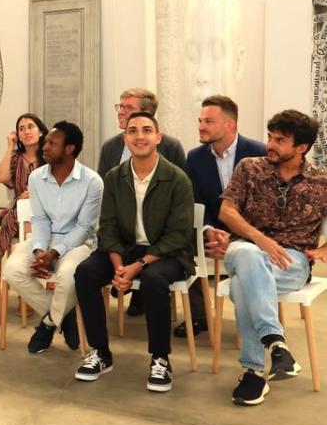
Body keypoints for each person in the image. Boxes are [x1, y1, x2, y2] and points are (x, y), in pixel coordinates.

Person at [74, 112, 194, 392]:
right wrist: (119, 267)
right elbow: (108, 227)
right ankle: (100, 352)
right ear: (125, 138)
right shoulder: (115, 177)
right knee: (86, 273)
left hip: (167, 253)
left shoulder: (177, 179)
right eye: (133, 131)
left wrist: (138, 265)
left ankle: (161, 358)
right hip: (125, 250)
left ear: (158, 138)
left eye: (146, 130)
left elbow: (178, 235)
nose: (140, 136)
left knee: (153, 279)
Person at [218, 110, 327, 405]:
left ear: (301, 147)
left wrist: (323, 250)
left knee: (243, 284)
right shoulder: (249, 168)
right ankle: (274, 343)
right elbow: (226, 211)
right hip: (245, 247)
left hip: (291, 261)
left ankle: (255, 372)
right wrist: (261, 240)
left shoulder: (321, 181)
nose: (271, 144)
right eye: (270, 137)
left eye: (280, 140)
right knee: (249, 256)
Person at [2, 122, 103, 354]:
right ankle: (63, 316)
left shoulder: (92, 181)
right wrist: (39, 251)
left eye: (51, 143)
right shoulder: (37, 177)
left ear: (69, 149)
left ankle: (47, 325)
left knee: (68, 276)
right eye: (46, 142)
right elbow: (40, 220)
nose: (44, 147)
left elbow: (85, 227)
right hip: (44, 239)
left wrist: (55, 252)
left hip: (79, 243)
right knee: (13, 270)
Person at [176, 95, 265, 338]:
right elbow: (195, 202)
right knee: (183, 241)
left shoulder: (259, 152)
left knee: (255, 249)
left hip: (250, 231)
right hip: (214, 230)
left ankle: (257, 317)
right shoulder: (195, 157)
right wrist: (208, 230)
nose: (201, 126)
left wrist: (237, 235)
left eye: (209, 121)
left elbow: (265, 208)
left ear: (230, 125)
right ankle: (199, 317)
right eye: (200, 120)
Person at [97, 89, 186, 318]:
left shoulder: (171, 148)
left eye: (127, 107)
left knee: (153, 275)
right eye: (120, 106)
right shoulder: (110, 147)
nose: (120, 112)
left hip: (159, 236)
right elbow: (106, 195)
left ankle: (144, 296)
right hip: (125, 234)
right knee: (88, 267)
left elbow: (180, 200)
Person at [0, 113, 49, 260]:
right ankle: (32, 257)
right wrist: (10, 147)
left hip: (47, 210)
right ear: (18, 135)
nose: (26, 132)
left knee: (30, 209)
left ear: (41, 131)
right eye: (22, 129)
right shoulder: (16, 158)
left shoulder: (50, 156)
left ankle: (28, 257)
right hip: (19, 211)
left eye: (31, 127)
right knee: (23, 208)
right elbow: (1, 177)